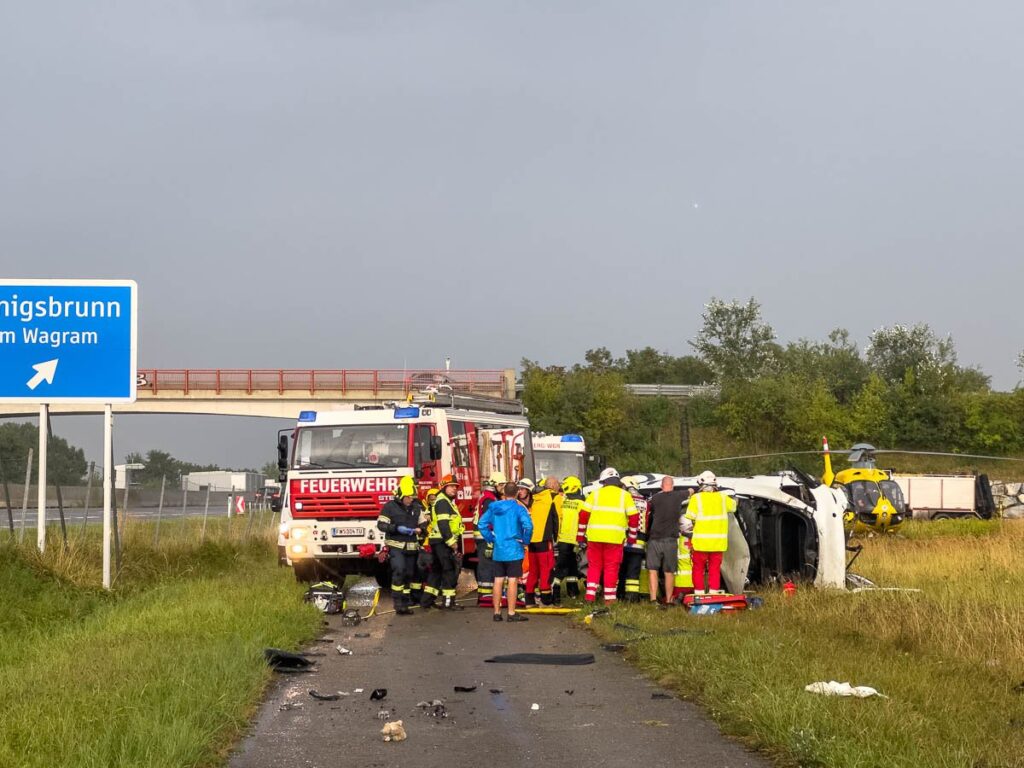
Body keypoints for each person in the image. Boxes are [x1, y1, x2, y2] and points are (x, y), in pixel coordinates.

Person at [577, 467, 638, 604]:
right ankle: (610, 599)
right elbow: (634, 517)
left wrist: (580, 536)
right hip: (615, 538)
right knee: (611, 567)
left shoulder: (595, 494)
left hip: (595, 537)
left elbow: (583, 515)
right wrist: (632, 536)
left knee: (594, 566)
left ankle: (590, 597)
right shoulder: (625, 495)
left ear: (603, 481)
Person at [478, 481, 534, 622]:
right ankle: (511, 612)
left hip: (499, 548)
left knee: (498, 580)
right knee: (513, 580)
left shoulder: (493, 507)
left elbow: (482, 524)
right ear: (516, 493)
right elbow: (528, 526)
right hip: (514, 548)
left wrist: (491, 538)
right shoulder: (519, 509)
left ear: (503, 493)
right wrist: (525, 541)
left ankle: (496, 613)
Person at [376, 476, 426, 615]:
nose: (411, 500)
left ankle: (406, 602)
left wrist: (421, 529)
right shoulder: (390, 507)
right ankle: (398, 604)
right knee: (399, 571)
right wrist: (396, 528)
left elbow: (423, 523)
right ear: (401, 496)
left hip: (411, 548)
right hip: (396, 547)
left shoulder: (416, 507)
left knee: (409, 574)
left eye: (412, 497)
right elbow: (381, 525)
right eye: (408, 497)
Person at [681, 471, 737, 593]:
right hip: (718, 543)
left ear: (701, 484)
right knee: (714, 569)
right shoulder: (723, 498)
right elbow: (734, 506)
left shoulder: (696, 498)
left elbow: (689, 519)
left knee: (698, 569)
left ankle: (699, 593)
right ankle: (713, 593)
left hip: (701, 543)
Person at [423, 474, 465, 610]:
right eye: (451, 486)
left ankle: (426, 601)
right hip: (443, 541)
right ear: (444, 487)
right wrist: (451, 542)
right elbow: (443, 524)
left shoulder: (444, 501)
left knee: (436, 571)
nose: (454, 489)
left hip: (437, 540)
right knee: (449, 570)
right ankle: (448, 602)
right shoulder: (443, 502)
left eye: (456, 487)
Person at [645, 476, 688, 605]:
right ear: (673, 485)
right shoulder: (678, 496)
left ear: (661, 486)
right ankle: (669, 600)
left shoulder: (655, 498)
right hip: (670, 540)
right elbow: (690, 491)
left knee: (653, 570)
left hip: (654, 539)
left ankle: (653, 599)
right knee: (669, 572)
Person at [526, 476, 561, 606]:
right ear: (552, 486)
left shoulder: (534, 498)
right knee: (546, 569)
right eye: (557, 484)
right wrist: (557, 538)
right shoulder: (554, 498)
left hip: (531, 539)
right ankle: (546, 599)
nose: (559, 486)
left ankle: (529, 599)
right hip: (545, 539)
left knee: (534, 570)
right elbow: (558, 518)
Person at [473, 471, 506, 607]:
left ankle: (485, 594)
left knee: (487, 565)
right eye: (501, 485)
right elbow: (489, 521)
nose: (503, 488)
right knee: (487, 566)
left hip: (483, 536)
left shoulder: (488, 497)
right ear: (495, 485)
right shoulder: (489, 499)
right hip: (485, 537)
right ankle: (485, 596)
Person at [552, 475, 585, 602]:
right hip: (576, 540)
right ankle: (555, 592)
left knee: (571, 566)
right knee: (562, 567)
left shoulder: (562, 502)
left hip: (563, 540)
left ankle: (573, 591)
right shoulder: (582, 504)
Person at [617, 476, 648, 602]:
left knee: (620, 569)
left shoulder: (623, 499)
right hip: (639, 541)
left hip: (624, 538)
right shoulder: (645, 501)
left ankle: (619, 595)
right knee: (634, 572)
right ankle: (632, 598)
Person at [410, 487, 437, 605]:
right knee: (424, 572)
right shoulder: (422, 509)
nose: (433, 500)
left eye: (434, 498)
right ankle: (423, 598)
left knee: (421, 572)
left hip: (426, 545)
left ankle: (418, 597)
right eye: (431, 498)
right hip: (425, 546)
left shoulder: (426, 509)